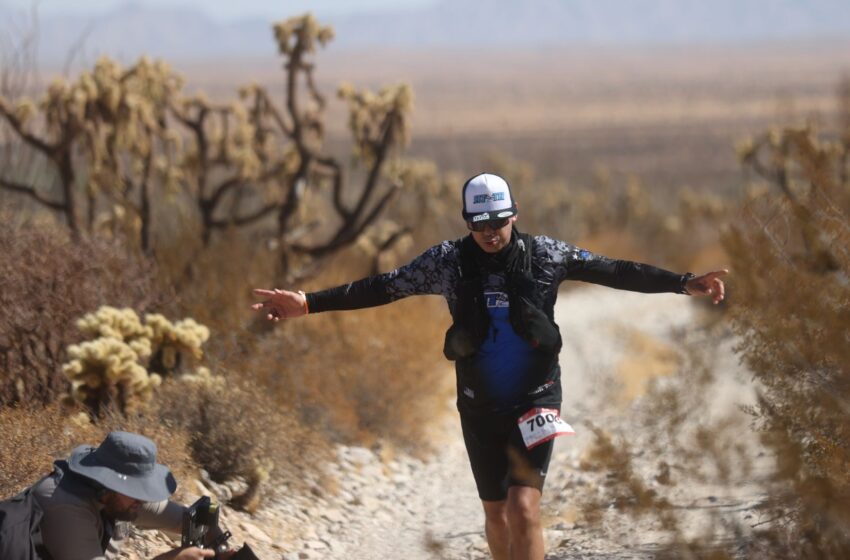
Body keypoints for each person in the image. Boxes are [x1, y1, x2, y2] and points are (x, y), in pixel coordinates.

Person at [252, 173, 727, 560]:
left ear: (513, 214)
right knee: (496, 514)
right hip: (479, 404)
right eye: (479, 222)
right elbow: (382, 286)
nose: (490, 231)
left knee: (524, 509)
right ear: (467, 221)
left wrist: (683, 283)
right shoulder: (447, 262)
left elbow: (616, 270)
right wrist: (309, 303)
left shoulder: (546, 255)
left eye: (498, 220)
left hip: (537, 396)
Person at [31, 431, 228, 560]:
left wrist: (217, 543)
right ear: (106, 483)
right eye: (135, 490)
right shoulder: (65, 506)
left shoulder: (121, 499)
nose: (141, 499)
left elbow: (185, 520)